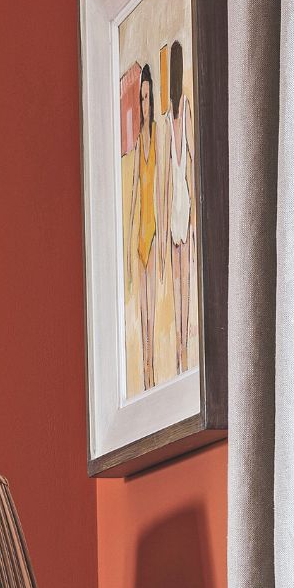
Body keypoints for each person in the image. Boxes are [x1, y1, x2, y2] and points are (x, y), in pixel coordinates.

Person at [127, 61, 160, 390]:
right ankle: (147, 377)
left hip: (155, 235)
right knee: (144, 319)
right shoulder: (139, 144)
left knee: (151, 312)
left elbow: (161, 191)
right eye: (142, 99)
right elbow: (136, 198)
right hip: (141, 240)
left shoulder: (158, 139)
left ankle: (153, 380)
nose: (145, 105)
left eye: (148, 98)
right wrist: (127, 252)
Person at [164, 40, 195, 375]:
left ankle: (182, 346)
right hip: (181, 198)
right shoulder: (181, 112)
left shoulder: (176, 113)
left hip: (179, 198)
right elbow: (190, 159)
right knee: (181, 275)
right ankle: (182, 343)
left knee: (179, 274)